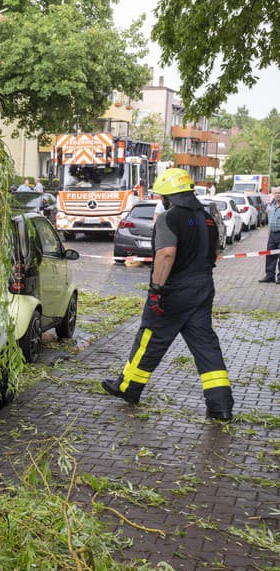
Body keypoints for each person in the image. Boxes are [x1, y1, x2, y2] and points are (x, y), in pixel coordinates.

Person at [101, 168, 234, 421]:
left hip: (173, 292)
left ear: (169, 196)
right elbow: (214, 253)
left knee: (150, 338)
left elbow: (166, 255)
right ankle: (221, 405)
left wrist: (156, 291)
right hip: (203, 289)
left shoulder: (169, 219)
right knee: (206, 347)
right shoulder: (207, 219)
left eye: (163, 195)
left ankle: (128, 388)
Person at [259, 186, 280, 283]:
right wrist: (269, 233)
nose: (277, 195)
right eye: (275, 193)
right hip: (272, 234)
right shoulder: (271, 205)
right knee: (270, 255)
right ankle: (270, 276)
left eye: (279, 193)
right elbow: (270, 220)